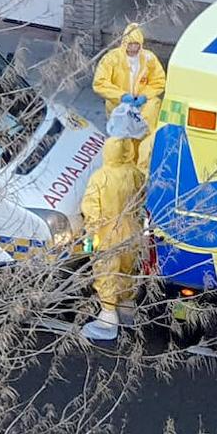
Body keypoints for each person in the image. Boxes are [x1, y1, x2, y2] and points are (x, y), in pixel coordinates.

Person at [80, 138, 144, 341]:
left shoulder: (100, 177)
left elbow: (92, 211)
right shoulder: (133, 172)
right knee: (127, 271)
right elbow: (142, 196)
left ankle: (108, 319)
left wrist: (90, 237)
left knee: (107, 275)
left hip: (108, 233)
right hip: (132, 231)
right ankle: (127, 311)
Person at [92, 23, 166, 173]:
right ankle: (124, 171)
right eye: (130, 44)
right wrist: (121, 96)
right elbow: (100, 83)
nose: (133, 48)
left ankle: (140, 169)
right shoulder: (111, 59)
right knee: (122, 141)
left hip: (142, 109)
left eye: (136, 44)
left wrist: (145, 95)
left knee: (141, 139)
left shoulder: (148, 59)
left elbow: (159, 81)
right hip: (119, 109)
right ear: (124, 43)